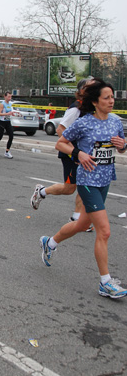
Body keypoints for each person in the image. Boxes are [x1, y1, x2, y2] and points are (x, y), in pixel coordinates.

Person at [39, 79, 127, 299]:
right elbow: (60, 143)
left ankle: (49, 242)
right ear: (95, 102)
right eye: (106, 97)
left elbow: (123, 148)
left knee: (82, 223)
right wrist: (78, 153)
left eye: (112, 97)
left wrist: (122, 146)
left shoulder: (116, 122)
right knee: (104, 231)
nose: (111, 101)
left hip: (106, 179)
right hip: (87, 181)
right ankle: (105, 283)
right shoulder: (84, 122)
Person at [30, 77, 96, 232]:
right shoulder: (75, 109)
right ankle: (41, 192)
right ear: (81, 91)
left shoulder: (91, 108)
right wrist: (75, 151)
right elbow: (60, 129)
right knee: (69, 188)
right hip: (70, 154)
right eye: (90, 87)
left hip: (84, 155)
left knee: (83, 185)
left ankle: (76, 218)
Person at [0, 91, 17, 159]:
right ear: (5, 97)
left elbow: (8, 112)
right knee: (0, 137)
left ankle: (7, 152)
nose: (10, 98)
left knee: (11, 136)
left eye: (10, 96)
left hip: (8, 122)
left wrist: (12, 113)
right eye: (8, 96)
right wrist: (7, 114)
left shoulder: (10, 104)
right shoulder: (2, 104)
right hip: (2, 122)